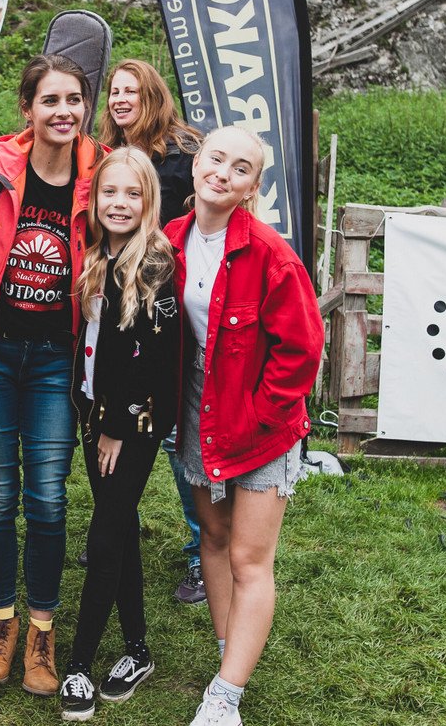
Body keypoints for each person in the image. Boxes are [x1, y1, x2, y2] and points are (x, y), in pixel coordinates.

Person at [163, 126, 323, 726]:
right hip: (197, 410)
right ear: (196, 163)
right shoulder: (168, 241)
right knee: (212, 536)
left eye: (240, 168)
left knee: (250, 558)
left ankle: (224, 698)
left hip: (260, 418)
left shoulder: (270, 254)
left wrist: (261, 417)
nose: (223, 173)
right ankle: (231, 655)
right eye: (215, 159)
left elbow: (302, 352)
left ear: (253, 186)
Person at [0, 54, 106, 697]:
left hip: (55, 358)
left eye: (73, 99)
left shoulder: (101, 174)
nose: (63, 112)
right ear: (27, 109)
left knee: (48, 499)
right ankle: (3, 623)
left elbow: (138, 214)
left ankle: (42, 632)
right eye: (50, 100)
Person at [58, 148, 180, 721]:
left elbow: (147, 359)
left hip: (133, 424)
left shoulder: (153, 264)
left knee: (105, 538)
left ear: (148, 201)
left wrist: (115, 430)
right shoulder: (94, 255)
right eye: (110, 192)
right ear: (95, 198)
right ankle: (138, 651)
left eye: (133, 194)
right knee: (120, 526)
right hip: (94, 414)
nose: (120, 203)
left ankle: (78, 665)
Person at [98, 59, 206, 604]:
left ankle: (201, 552)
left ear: (153, 96)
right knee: (116, 425)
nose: (120, 99)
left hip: (168, 307)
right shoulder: (106, 153)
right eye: (114, 91)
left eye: (131, 91)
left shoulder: (184, 156)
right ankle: (119, 527)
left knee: (172, 434)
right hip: (118, 308)